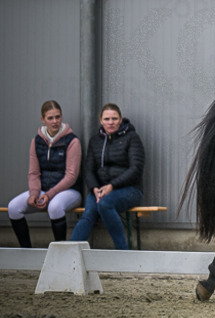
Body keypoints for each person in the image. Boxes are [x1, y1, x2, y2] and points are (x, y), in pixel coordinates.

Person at [7, 100, 82, 248]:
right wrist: (34, 193)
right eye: (50, 118)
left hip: (69, 191)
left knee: (55, 207)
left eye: (58, 117)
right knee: (13, 207)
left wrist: (49, 194)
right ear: (43, 119)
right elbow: (34, 172)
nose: (55, 121)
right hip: (43, 191)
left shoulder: (72, 141)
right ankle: (27, 251)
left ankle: (60, 252)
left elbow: (71, 176)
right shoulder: (36, 141)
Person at [69, 103, 145, 250]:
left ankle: (122, 253)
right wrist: (94, 188)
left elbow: (136, 169)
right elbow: (89, 170)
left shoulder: (132, 138)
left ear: (121, 119)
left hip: (130, 190)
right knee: (89, 212)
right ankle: (69, 254)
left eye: (114, 118)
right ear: (100, 120)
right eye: (107, 119)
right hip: (100, 191)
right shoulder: (95, 141)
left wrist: (112, 186)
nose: (111, 122)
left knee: (105, 204)